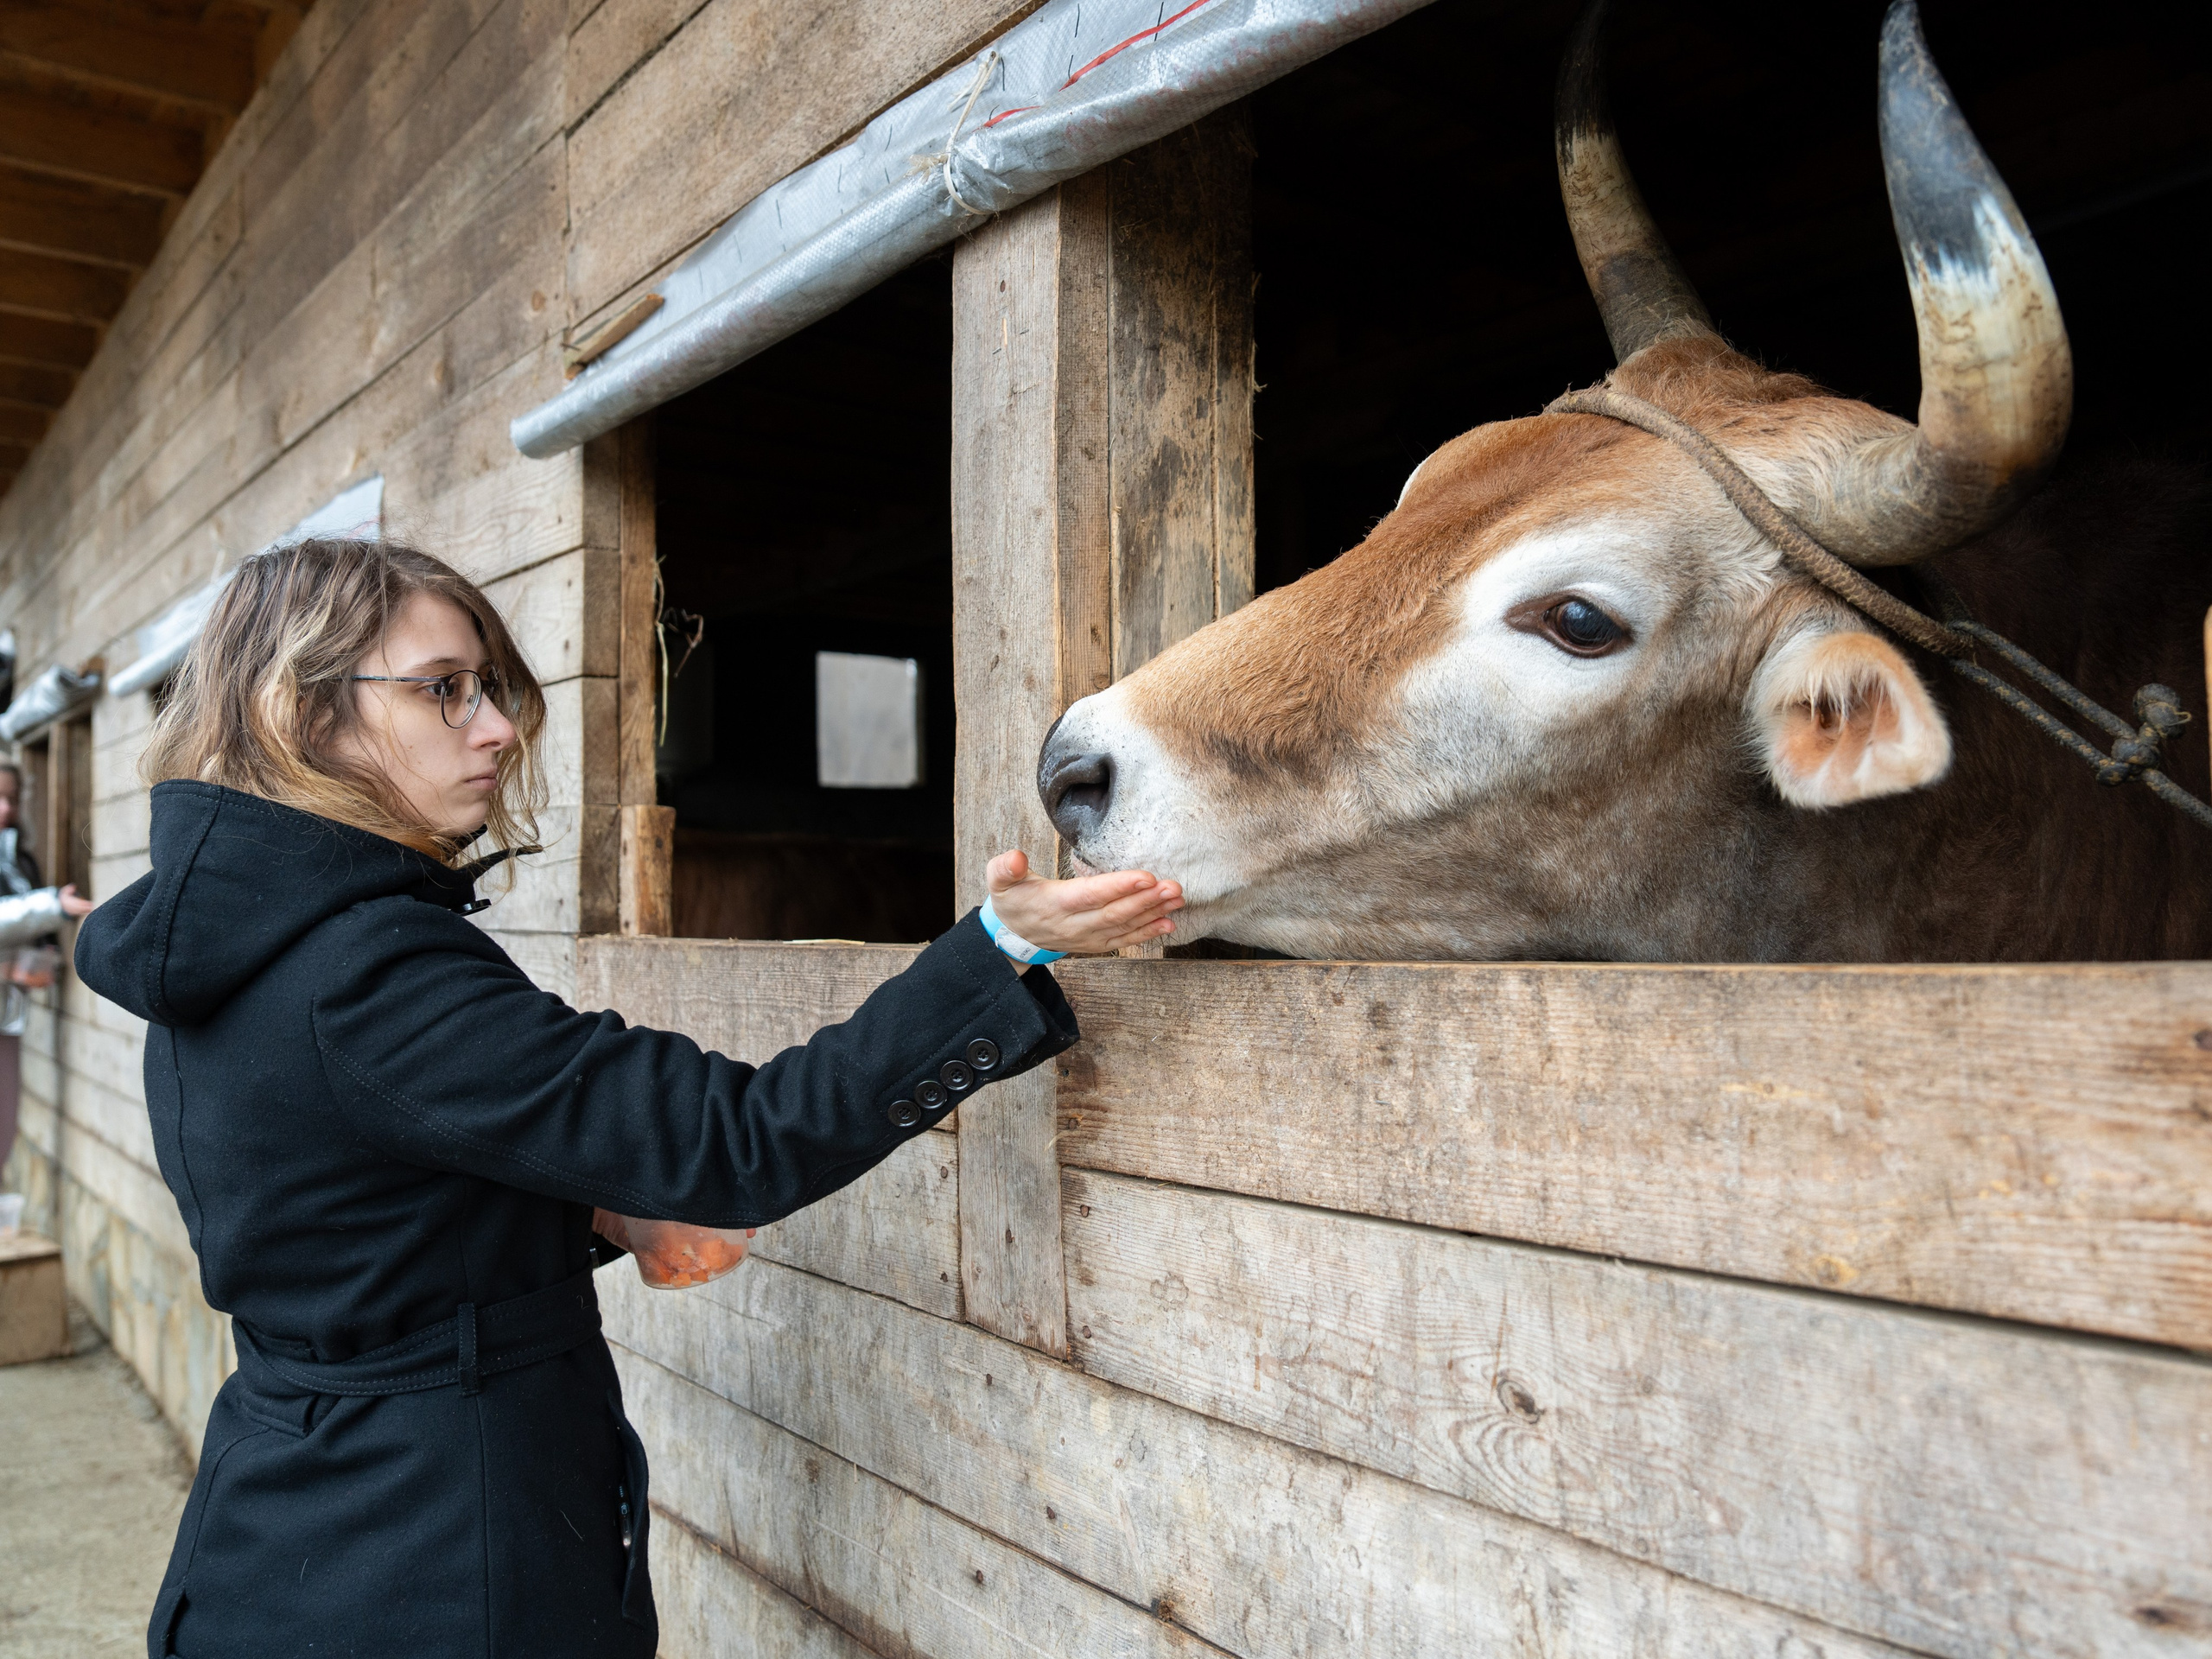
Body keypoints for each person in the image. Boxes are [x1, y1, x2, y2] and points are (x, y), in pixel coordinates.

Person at [74, 538, 1182, 1659]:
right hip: (440, 1558)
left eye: (490, 690)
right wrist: (997, 950)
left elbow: (351, 1199)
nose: (498, 727)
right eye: (444, 690)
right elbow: (740, 1142)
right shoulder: (370, 970)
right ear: (302, 715)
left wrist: (598, 1208)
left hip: (281, 1523)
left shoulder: (224, 944)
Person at [0, 762, 95, 1175]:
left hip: (7, 1011)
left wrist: (47, 954)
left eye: (12, 798)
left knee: (5, 1118)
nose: (5, 808)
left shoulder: (19, 859)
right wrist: (52, 906)